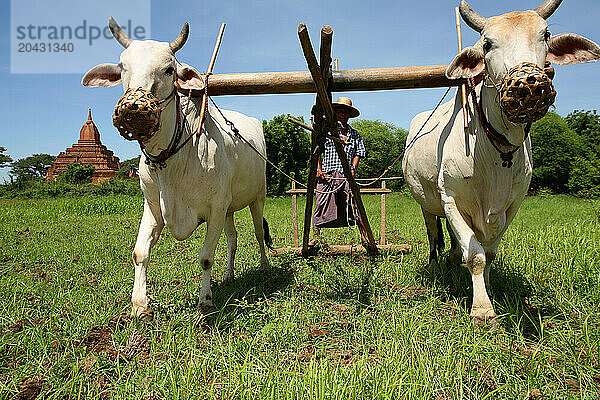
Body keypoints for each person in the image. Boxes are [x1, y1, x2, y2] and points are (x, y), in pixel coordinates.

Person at [311, 97, 368, 246]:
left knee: (355, 202)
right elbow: (317, 150)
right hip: (328, 174)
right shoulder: (326, 131)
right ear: (335, 113)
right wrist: (319, 169)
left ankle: (364, 236)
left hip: (345, 176)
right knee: (320, 203)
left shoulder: (355, 135)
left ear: (349, 115)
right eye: (340, 111)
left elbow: (359, 152)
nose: (343, 114)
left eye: (346, 112)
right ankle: (315, 237)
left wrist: (353, 169)